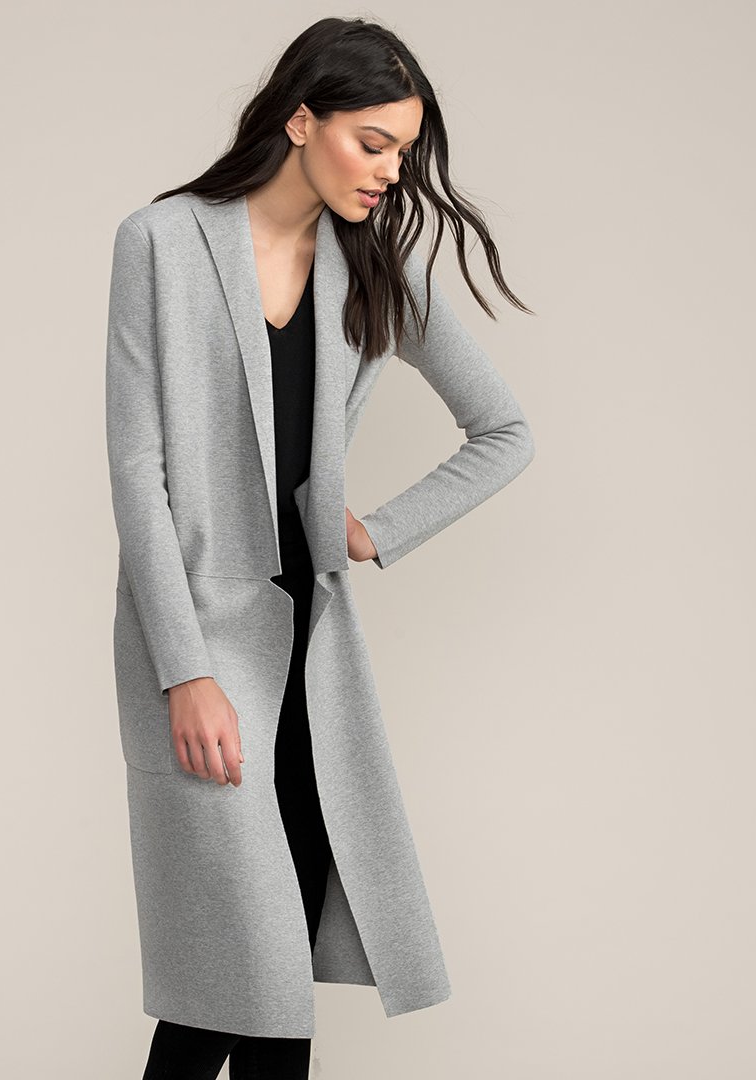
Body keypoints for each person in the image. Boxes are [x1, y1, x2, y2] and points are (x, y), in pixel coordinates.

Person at [104, 16, 536, 1080]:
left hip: (315, 656)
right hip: (200, 643)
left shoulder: (373, 267)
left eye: (404, 152)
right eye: (372, 143)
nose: (391, 172)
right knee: (232, 977)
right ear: (302, 121)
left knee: (271, 980)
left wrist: (375, 532)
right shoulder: (162, 242)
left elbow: (504, 431)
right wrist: (185, 672)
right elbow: (138, 475)